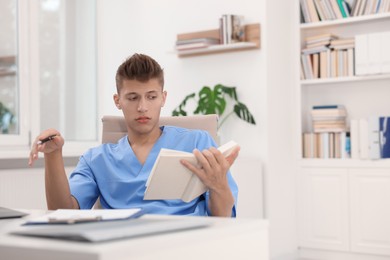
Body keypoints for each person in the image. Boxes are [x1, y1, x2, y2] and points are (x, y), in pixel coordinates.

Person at [29, 53, 239, 217]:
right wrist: (53, 155)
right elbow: (63, 214)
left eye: (151, 97)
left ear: (163, 98)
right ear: (117, 100)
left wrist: (219, 185)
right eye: (132, 98)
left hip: (185, 246)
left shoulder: (198, 142)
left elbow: (222, 218)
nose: (142, 107)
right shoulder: (97, 160)